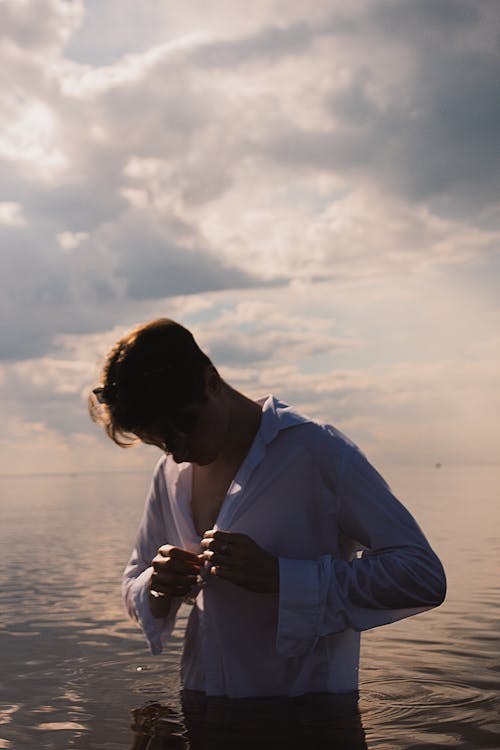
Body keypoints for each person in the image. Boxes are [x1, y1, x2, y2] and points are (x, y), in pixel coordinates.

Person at [89, 317, 446, 701]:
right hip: (202, 706)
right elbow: (134, 580)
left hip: (308, 719)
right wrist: (157, 585)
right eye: (159, 443)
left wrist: (284, 577)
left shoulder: (315, 451)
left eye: (184, 424)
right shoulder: (171, 472)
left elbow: (421, 575)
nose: (177, 450)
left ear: (211, 381)